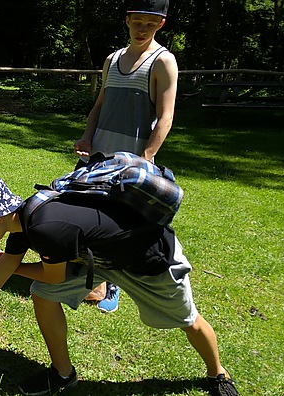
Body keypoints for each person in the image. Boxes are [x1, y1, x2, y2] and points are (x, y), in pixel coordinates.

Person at [0, 176, 239, 396]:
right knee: (43, 295)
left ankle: (218, 374)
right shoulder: (22, 222)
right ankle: (63, 375)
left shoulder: (46, 227)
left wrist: (15, 268)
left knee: (188, 320)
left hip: (148, 259)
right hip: (100, 259)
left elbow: (51, 275)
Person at [74, 0, 179, 314]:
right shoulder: (112, 59)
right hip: (98, 156)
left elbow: (166, 117)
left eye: (149, 23)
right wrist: (86, 136)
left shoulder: (163, 61)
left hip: (132, 162)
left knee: (121, 223)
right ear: (127, 20)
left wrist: (146, 159)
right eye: (137, 22)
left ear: (160, 24)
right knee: (88, 213)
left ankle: (113, 287)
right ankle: (90, 276)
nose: (142, 29)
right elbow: (100, 105)